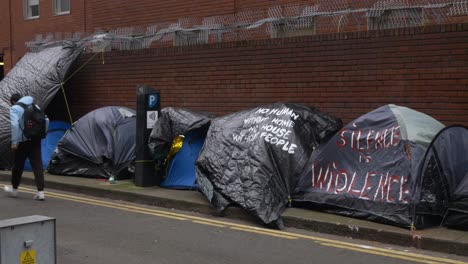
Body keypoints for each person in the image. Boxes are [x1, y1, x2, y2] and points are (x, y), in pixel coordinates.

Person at [4, 93, 47, 200]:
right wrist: (42, 134)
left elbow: (14, 125)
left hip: (23, 141)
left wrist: (15, 142)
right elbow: (45, 119)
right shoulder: (34, 105)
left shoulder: (15, 108)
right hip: (36, 139)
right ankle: (40, 192)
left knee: (18, 165)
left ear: (13, 102)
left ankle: (14, 190)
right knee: (37, 165)